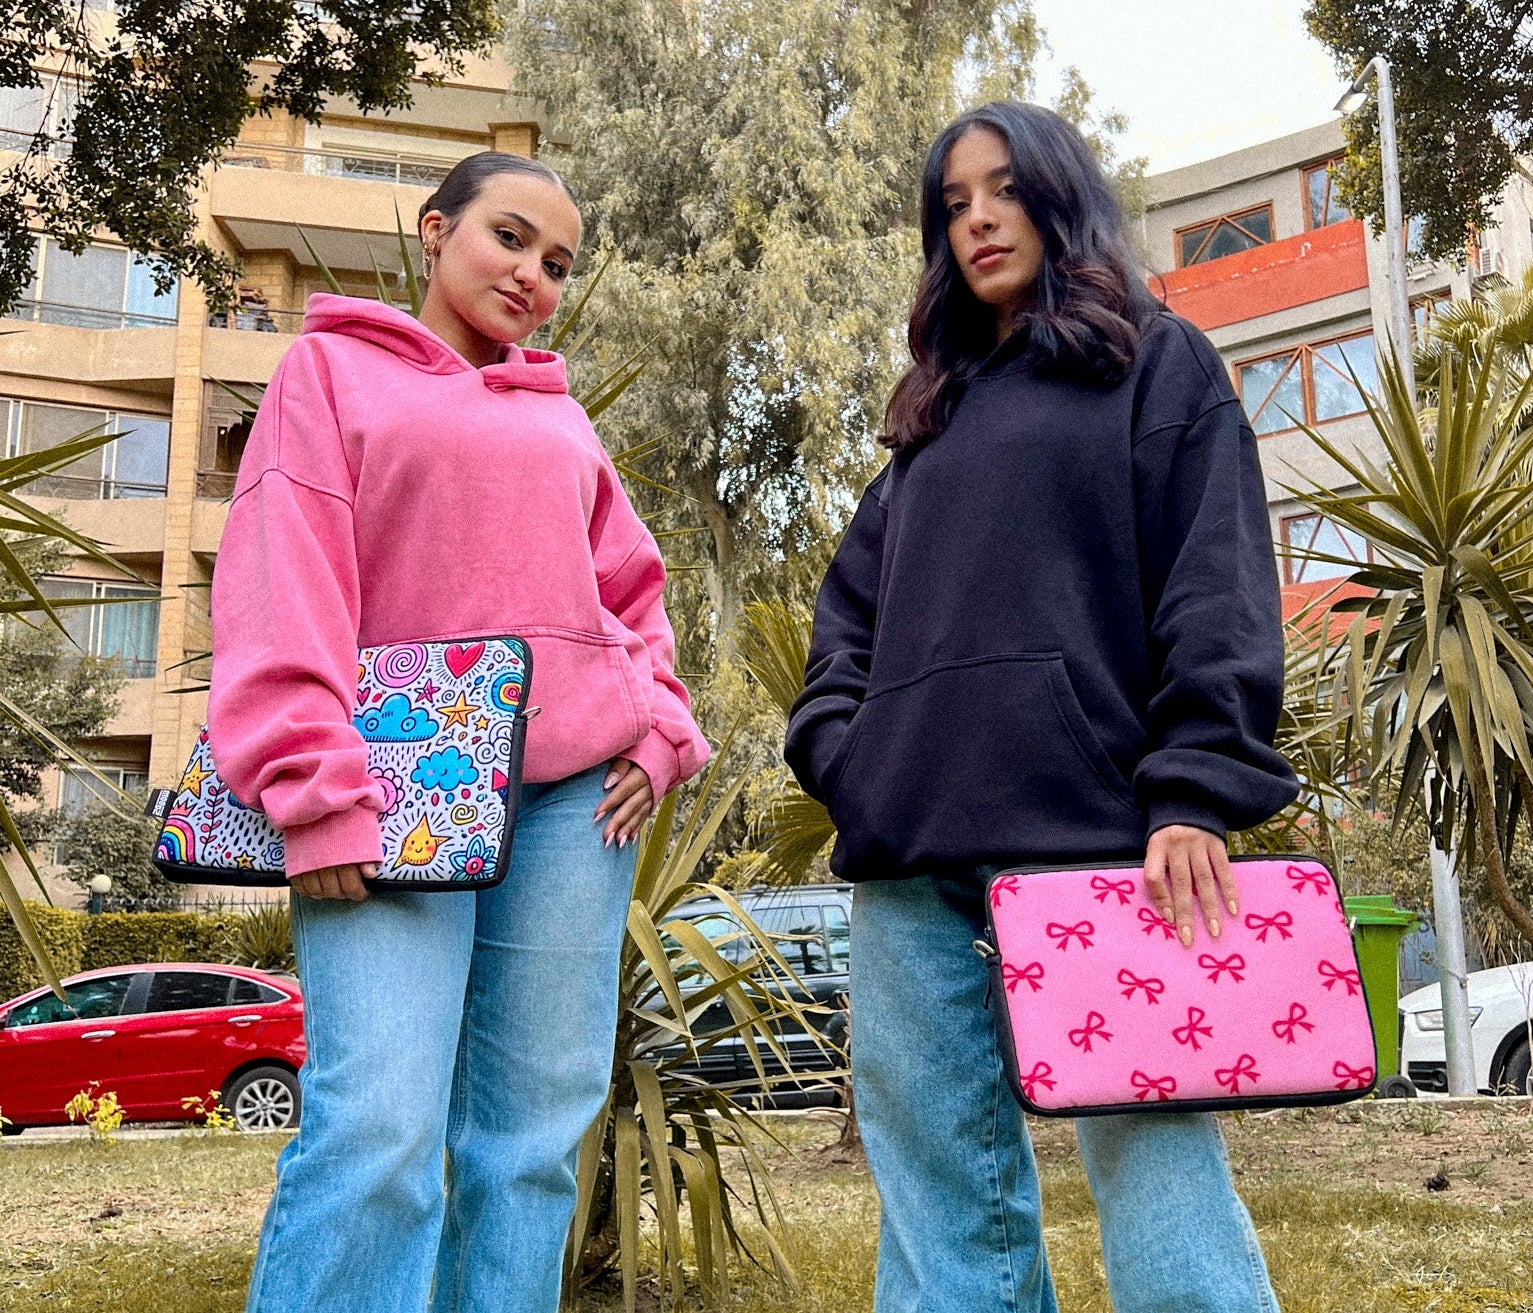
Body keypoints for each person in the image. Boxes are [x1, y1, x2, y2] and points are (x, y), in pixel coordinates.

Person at [785, 102, 1299, 1313]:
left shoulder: (1155, 363)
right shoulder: (930, 419)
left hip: (1099, 844)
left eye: (1003, 188)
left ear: (1058, 199)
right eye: (953, 202)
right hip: (911, 859)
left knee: (1156, 1167)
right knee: (939, 1202)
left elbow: (1217, 582)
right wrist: (848, 756)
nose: (977, 217)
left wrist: (1193, 790)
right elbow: (845, 622)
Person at [208, 151, 709, 1313]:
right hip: (391, 792)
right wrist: (314, 787)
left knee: (531, 1143)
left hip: (573, 803)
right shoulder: (328, 371)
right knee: (377, 1124)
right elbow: (287, 581)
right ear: (435, 232)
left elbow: (634, 595)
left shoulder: (562, 417)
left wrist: (657, 731)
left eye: (557, 262)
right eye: (510, 237)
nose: (533, 273)